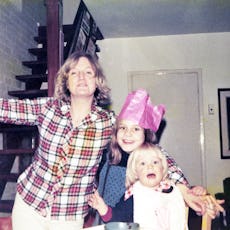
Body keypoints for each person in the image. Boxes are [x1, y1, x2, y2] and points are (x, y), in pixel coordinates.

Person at [0, 51, 115, 230]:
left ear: (97, 81)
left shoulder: (108, 122)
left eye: (88, 72)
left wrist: (173, 176)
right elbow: (6, 108)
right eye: (74, 73)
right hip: (30, 202)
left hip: (69, 214)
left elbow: (141, 144)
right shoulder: (48, 108)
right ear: (66, 81)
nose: (81, 77)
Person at [91, 88, 224, 225]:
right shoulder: (106, 154)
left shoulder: (154, 156)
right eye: (123, 128)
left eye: (136, 129)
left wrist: (195, 195)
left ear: (146, 135)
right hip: (105, 222)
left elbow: (174, 182)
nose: (128, 134)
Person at [89, 143, 188, 230]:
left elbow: (191, 199)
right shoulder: (135, 194)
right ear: (136, 173)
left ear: (162, 168)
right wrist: (103, 208)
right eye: (143, 163)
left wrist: (196, 191)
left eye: (155, 162)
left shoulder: (172, 190)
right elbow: (118, 218)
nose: (150, 167)